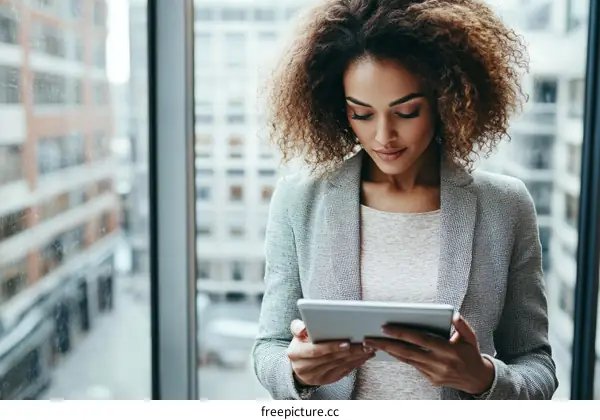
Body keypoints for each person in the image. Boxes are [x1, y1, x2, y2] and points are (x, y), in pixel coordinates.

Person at [252, 0, 559, 400]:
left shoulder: (505, 207)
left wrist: (483, 377)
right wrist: (299, 373)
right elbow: (269, 348)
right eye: (361, 114)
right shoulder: (299, 200)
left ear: (445, 99)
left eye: (407, 112)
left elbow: (537, 364)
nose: (384, 136)